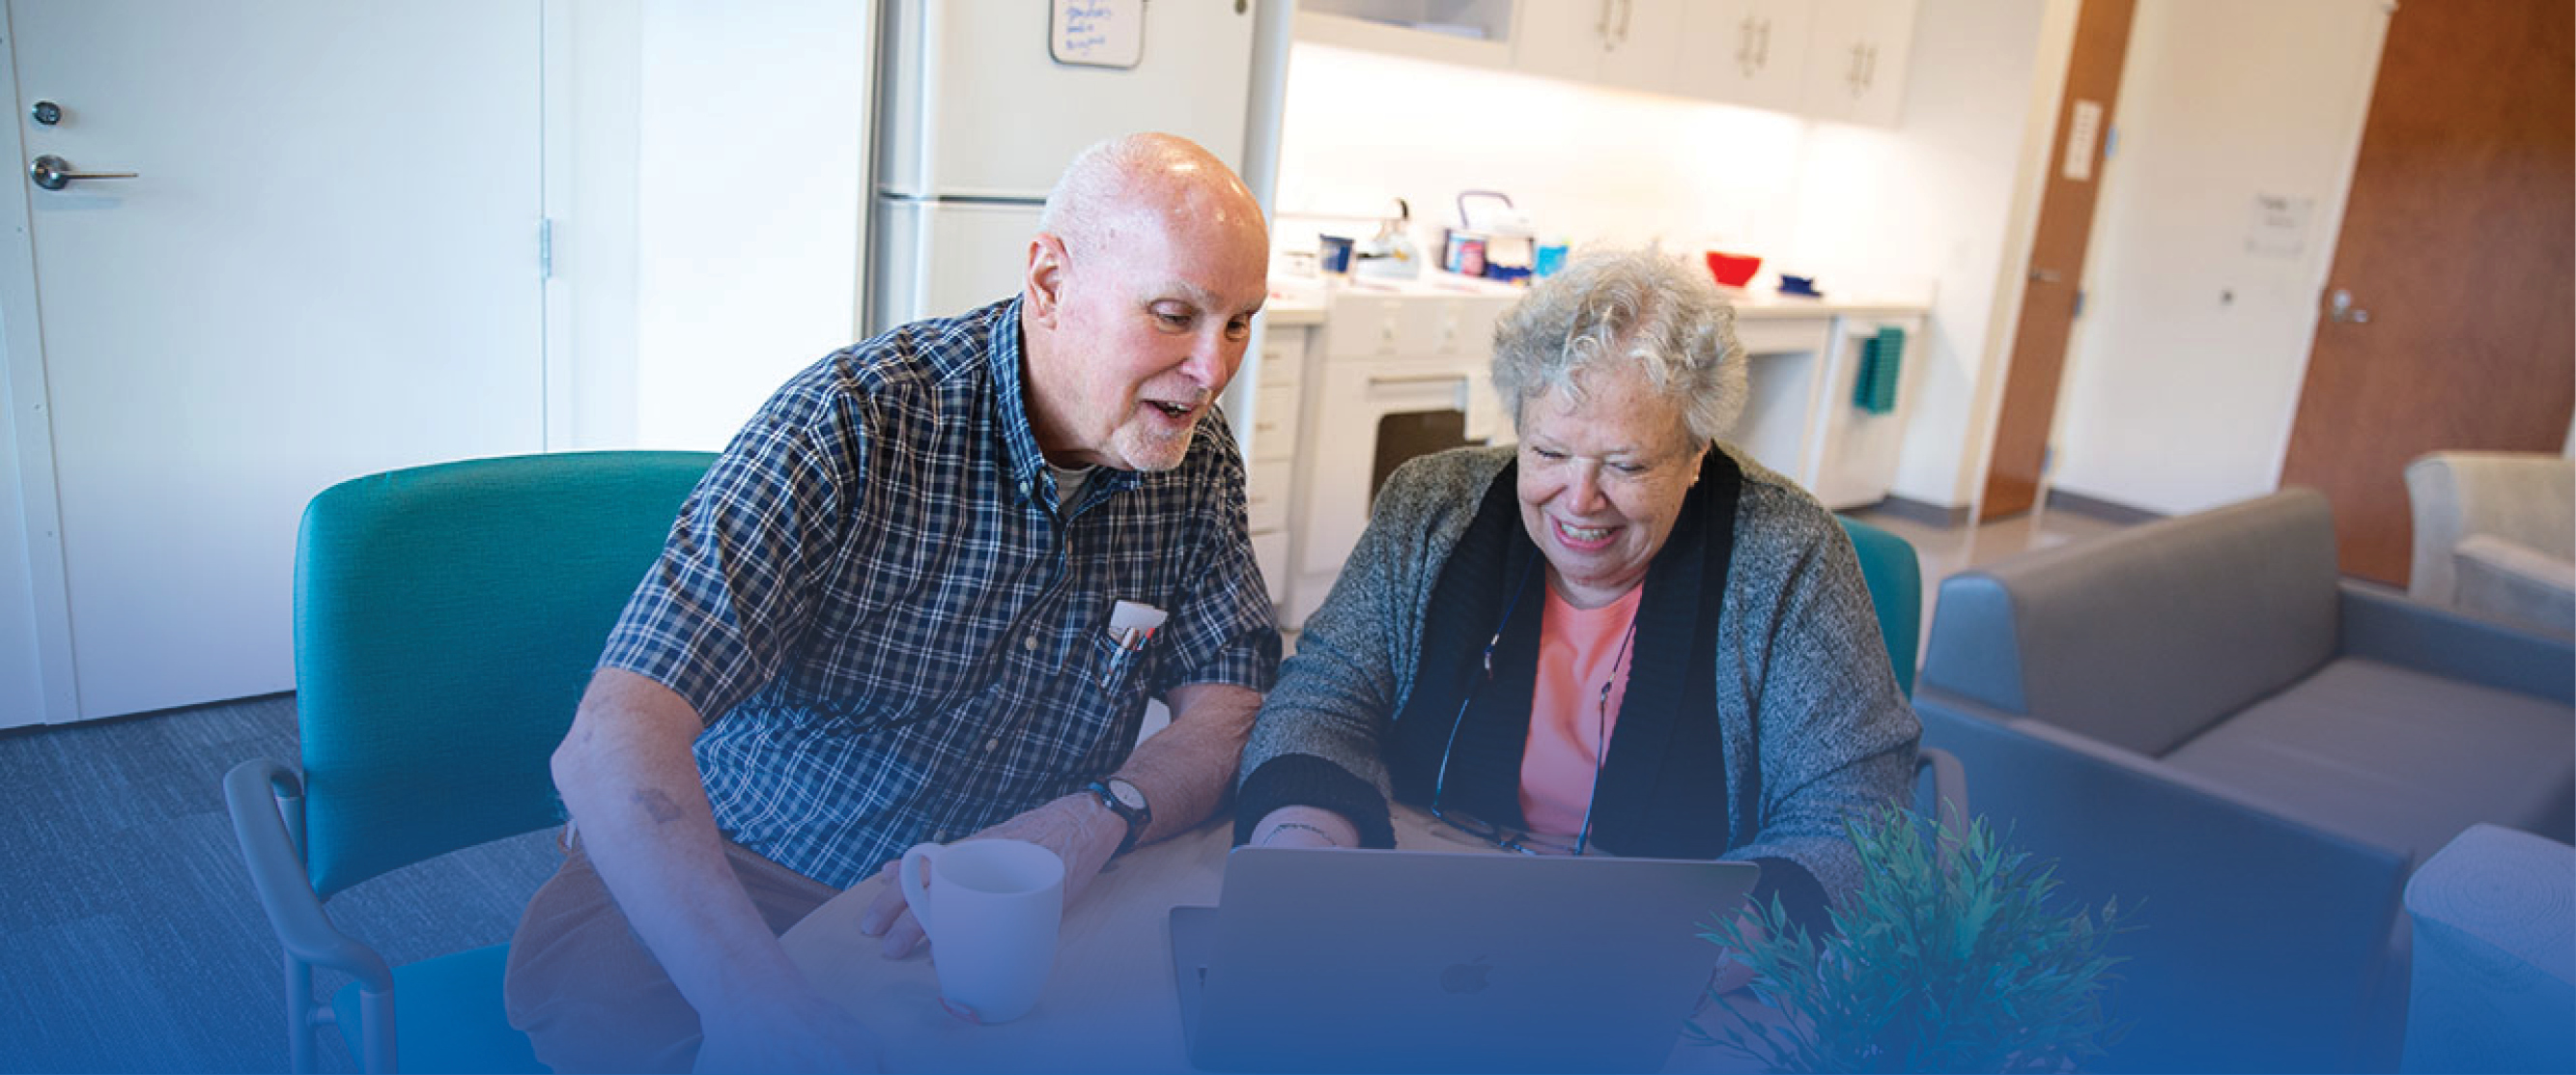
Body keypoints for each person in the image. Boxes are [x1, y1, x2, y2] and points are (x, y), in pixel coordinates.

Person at [505, 132, 1280, 1073]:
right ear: (1048, 281)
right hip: (748, 864)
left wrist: (1102, 812)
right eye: (1174, 315)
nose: (1213, 369)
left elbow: (1234, 706)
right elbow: (607, 742)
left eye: (1239, 323)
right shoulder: (857, 419)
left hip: (999, 886)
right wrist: (760, 1011)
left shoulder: (1193, 456)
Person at [1233, 248, 1917, 931]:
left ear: (1697, 451)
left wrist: (1694, 954)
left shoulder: (1786, 552)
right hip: (1420, 890)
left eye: (1627, 464)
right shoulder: (1430, 506)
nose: (1580, 501)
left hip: (1667, 930)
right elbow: (1321, 698)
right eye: (1549, 453)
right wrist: (1303, 856)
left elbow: (1852, 810)